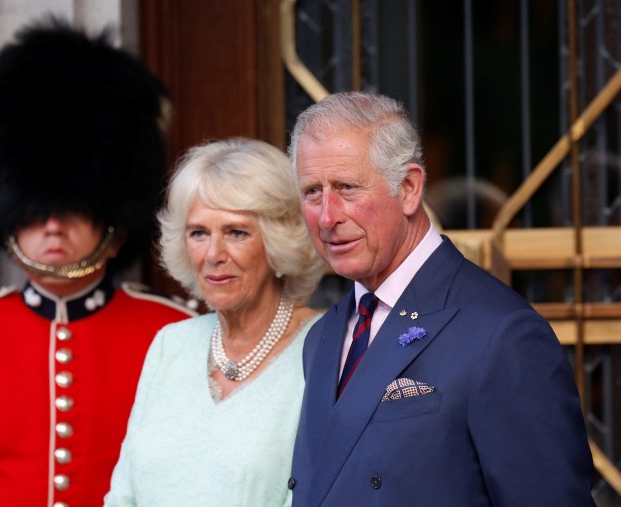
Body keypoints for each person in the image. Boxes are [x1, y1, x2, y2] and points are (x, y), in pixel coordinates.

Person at [0, 17, 194, 507]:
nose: (52, 225)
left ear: (113, 226)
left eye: (74, 207)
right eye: (34, 211)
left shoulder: (174, 336)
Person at [287, 91, 596, 506]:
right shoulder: (324, 335)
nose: (327, 216)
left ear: (410, 188)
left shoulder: (500, 334)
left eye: (346, 187)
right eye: (312, 192)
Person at [104, 138, 326, 506]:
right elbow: (122, 493)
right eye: (199, 233)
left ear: (279, 240)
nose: (213, 255)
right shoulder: (169, 345)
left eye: (236, 232)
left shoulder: (324, 349)